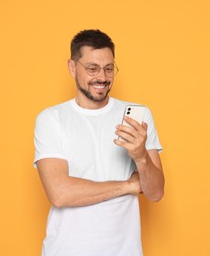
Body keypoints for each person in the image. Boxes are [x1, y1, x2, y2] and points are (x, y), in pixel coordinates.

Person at [33, 29, 165, 256]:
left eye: (109, 68)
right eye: (92, 68)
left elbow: (155, 192)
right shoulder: (51, 119)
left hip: (125, 250)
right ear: (73, 68)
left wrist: (141, 157)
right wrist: (129, 185)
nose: (102, 77)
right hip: (66, 250)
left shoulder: (136, 117)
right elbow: (60, 193)